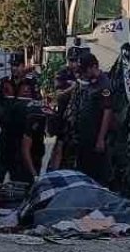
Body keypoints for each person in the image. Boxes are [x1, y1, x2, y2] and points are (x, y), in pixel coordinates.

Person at [0, 52, 43, 183]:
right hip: (7, 131)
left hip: (24, 132)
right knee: (1, 166)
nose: (14, 68)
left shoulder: (31, 83)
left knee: (21, 169)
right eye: (12, 65)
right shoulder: (4, 82)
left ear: (23, 66)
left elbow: (38, 105)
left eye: (17, 65)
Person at [72, 52, 114, 185]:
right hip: (85, 135)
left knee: (98, 173)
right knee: (84, 170)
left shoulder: (104, 84)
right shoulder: (88, 82)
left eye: (85, 70)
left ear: (93, 67)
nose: (83, 74)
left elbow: (107, 112)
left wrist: (101, 139)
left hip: (96, 135)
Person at [49, 47, 84, 170]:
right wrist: (72, 88)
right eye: (71, 60)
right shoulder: (62, 73)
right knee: (60, 144)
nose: (73, 64)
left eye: (75, 60)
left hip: (79, 115)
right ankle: (54, 171)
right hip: (64, 114)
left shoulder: (83, 72)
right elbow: (58, 94)